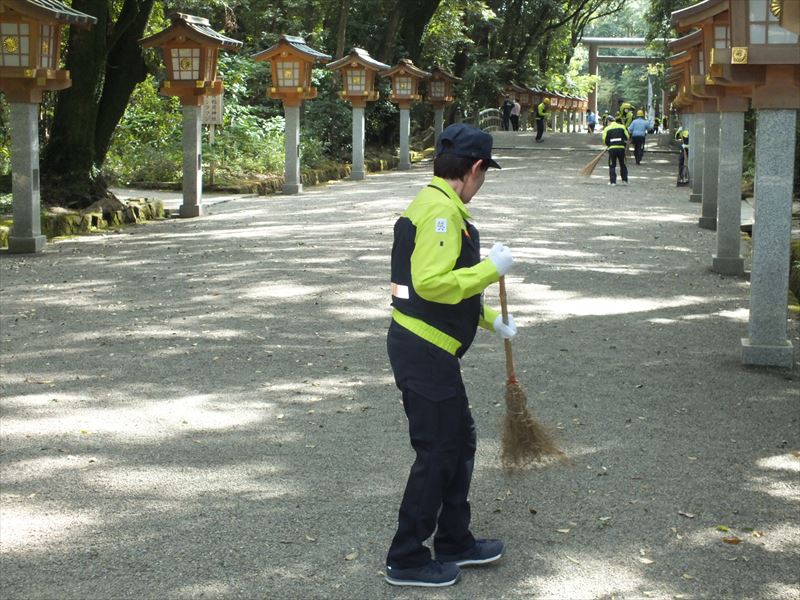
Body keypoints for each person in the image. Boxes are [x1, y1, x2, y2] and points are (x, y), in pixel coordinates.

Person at [385, 123, 516, 588]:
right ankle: (406, 557)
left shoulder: (435, 204)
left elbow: (437, 288)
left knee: (458, 442)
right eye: (485, 174)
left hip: (427, 346)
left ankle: (455, 540)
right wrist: (487, 271)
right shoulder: (441, 213)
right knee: (439, 451)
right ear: (476, 168)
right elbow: (432, 284)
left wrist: (486, 321)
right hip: (423, 350)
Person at [602, 115, 630, 185]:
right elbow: (627, 136)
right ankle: (625, 181)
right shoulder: (622, 127)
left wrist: (608, 144)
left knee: (612, 165)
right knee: (623, 164)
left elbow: (604, 139)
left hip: (612, 149)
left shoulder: (607, 129)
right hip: (621, 149)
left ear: (608, 121)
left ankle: (613, 182)